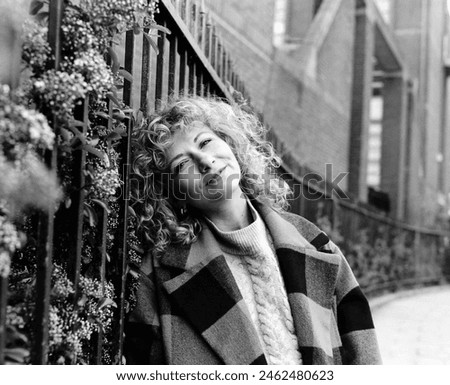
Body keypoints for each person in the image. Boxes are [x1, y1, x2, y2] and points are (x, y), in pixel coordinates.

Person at [124, 95, 382, 365]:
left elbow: (364, 351)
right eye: (182, 164)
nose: (205, 161)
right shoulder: (160, 273)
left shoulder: (313, 242)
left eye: (205, 142)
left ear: (231, 143)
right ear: (173, 192)